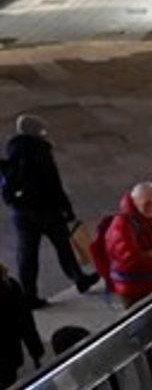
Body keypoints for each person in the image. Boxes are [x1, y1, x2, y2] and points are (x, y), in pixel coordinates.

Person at [2, 115, 98, 300]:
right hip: (47, 210)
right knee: (64, 246)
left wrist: (19, 204)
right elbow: (54, 184)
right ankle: (79, 278)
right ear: (36, 131)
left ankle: (30, 296)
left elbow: (8, 189)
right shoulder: (41, 152)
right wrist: (67, 209)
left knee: (27, 255)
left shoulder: (13, 152)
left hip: (23, 215)